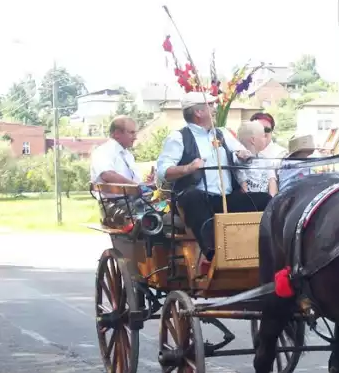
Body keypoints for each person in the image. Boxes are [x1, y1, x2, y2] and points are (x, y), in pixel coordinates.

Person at [156, 92, 272, 259]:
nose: (215, 109)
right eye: (210, 106)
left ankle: (265, 250)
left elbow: (240, 157)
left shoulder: (222, 133)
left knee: (264, 200)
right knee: (193, 197)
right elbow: (163, 172)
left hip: (225, 198)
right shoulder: (178, 138)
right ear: (198, 112)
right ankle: (213, 254)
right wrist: (188, 168)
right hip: (198, 199)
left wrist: (243, 156)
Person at [90, 115, 155, 226]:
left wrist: (147, 185)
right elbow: (107, 175)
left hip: (132, 201)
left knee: (170, 210)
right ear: (117, 134)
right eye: (131, 132)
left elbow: (133, 184)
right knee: (157, 217)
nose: (135, 137)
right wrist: (137, 186)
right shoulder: (103, 151)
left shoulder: (127, 155)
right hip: (114, 206)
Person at [235, 120, 278, 196]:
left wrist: (271, 200)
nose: (266, 139)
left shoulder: (265, 160)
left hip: (266, 201)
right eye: (263, 136)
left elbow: (272, 181)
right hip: (249, 200)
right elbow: (243, 186)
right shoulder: (239, 159)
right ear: (253, 140)